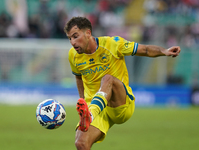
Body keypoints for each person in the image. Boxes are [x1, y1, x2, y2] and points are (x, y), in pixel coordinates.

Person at [64, 16, 180, 150]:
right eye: (70, 38)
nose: (72, 42)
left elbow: (145, 49)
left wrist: (164, 51)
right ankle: (89, 113)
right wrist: (83, 101)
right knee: (81, 143)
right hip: (96, 107)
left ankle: (90, 114)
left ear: (88, 33)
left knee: (108, 79)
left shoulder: (112, 44)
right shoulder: (73, 55)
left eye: (75, 36)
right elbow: (79, 77)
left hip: (121, 104)